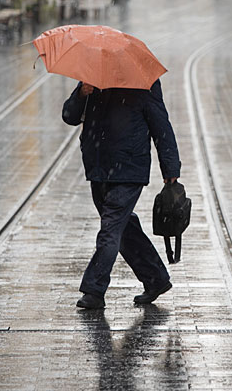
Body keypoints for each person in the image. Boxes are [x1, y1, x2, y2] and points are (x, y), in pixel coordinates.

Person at [62, 79, 181, 309]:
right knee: (123, 227)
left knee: (111, 228)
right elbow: (69, 116)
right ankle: (155, 279)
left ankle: (94, 289)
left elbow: (160, 124)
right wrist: (81, 94)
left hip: (129, 168)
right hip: (98, 168)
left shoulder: (144, 81)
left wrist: (170, 169)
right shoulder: (93, 75)